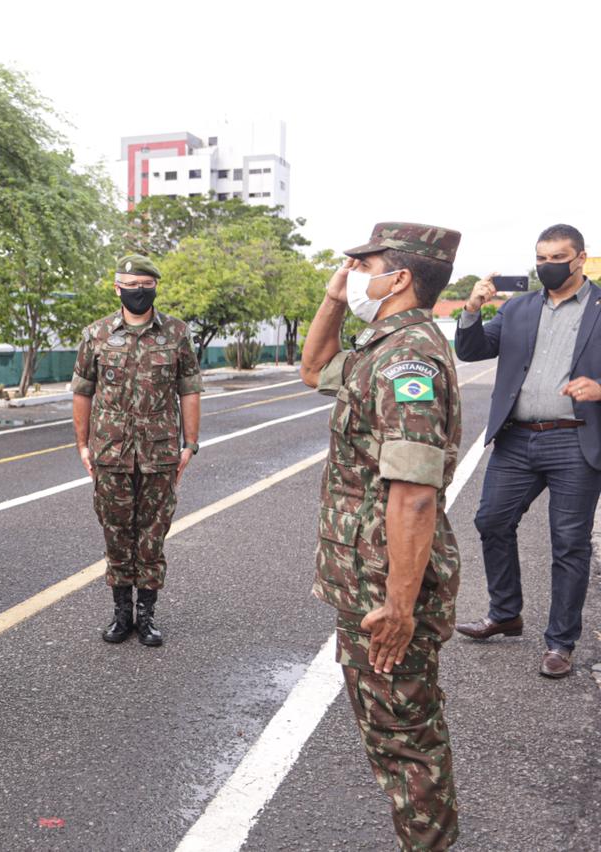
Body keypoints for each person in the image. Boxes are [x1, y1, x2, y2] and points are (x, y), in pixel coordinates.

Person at [300, 222, 463, 851]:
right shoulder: (380, 346)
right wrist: (336, 298)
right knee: (392, 735)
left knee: (405, 740)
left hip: (386, 587)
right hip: (366, 576)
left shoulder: (407, 360)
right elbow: (314, 368)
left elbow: (415, 492)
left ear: (398, 277)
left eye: (361, 263)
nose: (349, 270)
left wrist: (399, 604)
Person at [453, 223, 601, 679]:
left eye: (556, 258)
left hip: (574, 439)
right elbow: (472, 348)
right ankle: (505, 612)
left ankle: (560, 642)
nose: (546, 266)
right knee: (491, 520)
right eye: (540, 258)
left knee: (569, 544)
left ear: (579, 258)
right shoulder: (519, 308)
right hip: (517, 438)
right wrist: (472, 308)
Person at [71, 254, 201, 646]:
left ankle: (146, 616)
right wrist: (82, 444)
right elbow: (82, 392)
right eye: (131, 286)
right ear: (117, 288)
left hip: (159, 453)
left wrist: (190, 445)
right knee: (116, 534)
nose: (138, 293)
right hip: (110, 452)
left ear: (155, 287)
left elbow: (189, 390)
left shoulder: (177, 334)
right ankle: (120, 613)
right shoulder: (96, 335)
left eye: (146, 286)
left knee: (152, 536)